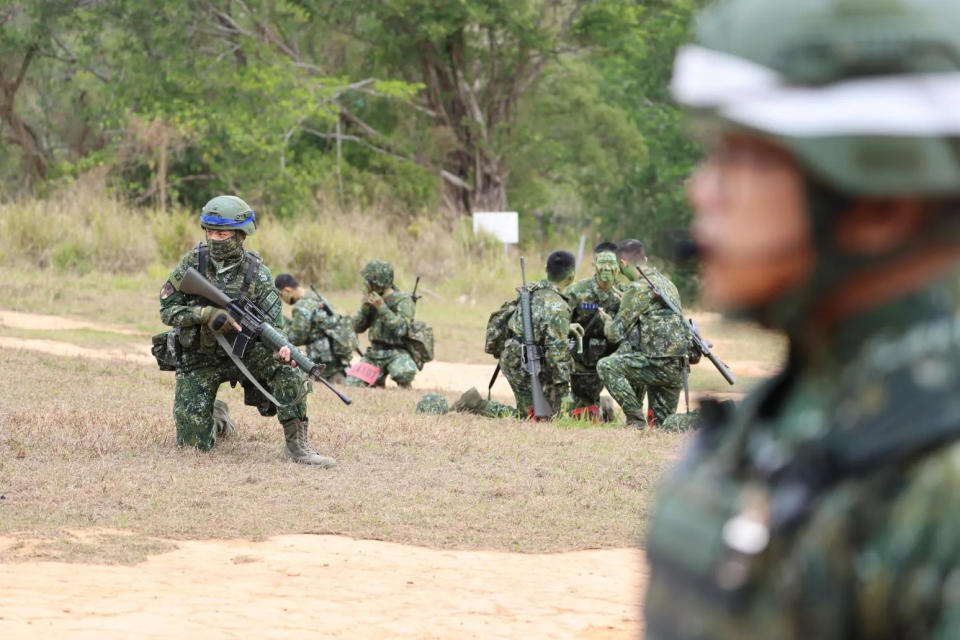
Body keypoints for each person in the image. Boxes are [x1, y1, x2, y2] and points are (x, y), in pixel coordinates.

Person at [643, 1, 960, 637]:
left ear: (880, 202)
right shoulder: (805, 415)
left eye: (741, 159)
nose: (701, 192)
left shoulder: (935, 483)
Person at [158, 195, 335, 467]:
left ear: (241, 234)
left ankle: (298, 446)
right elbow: (167, 310)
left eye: (223, 232)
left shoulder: (258, 274)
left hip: (247, 354)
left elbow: (276, 329)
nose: (216, 238)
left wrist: (283, 352)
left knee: (289, 370)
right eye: (211, 232)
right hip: (201, 358)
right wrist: (204, 315)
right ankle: (216, 417)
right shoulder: (192, 264)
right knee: (193, 446)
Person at [597, 239, 694, 428]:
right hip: (677, 367)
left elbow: (615, 334)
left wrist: (607, 320)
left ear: (623, 264)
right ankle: (701, 419)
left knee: (606, 366)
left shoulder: (638, 288)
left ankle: (636, 421)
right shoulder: (668, 285)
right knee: (663, 426)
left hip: (655, 365)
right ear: (646, 259)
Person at [499, 250, 576, 418]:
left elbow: (536, 323)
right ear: (571, 276)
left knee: (543, 413)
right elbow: (557, 353)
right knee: (533, 417)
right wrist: (564, 392)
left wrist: (567, 327)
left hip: (513, 356)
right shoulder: (558, 305)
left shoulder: (530, 291)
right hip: (522, 363)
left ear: (546, 269)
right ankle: (477, 404)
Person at [563, 242, 623, 418]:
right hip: (580, 358)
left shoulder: (623, 296)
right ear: (594, 265)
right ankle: (598, 405)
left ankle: (614, 407)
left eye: (611, 263)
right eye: (602, 263)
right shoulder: (576, 291)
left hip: (608, 358)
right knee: (580, 413)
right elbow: (557, 322)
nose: (607, 268)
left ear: (618, 267)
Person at [344, 259, 418, 388]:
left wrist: (382, 309)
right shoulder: (372, 298)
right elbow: (357, 328)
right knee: (352, 383)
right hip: (374, 354)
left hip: (397, 352)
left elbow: (402, 329)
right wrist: (364, 310)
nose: (365, 283)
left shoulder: (403, 300)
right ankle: (377, 380)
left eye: (368, 280)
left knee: (404, 373)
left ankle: (402, 383)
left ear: (377, 282)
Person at [274, 273, 358, 383]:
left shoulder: (302, 307)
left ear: (287, 290)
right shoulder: (316, 297)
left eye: (281, 294)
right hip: (337, 355)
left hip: (322, 359)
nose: (282, 298)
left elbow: (296, 337)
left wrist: (281, 324)